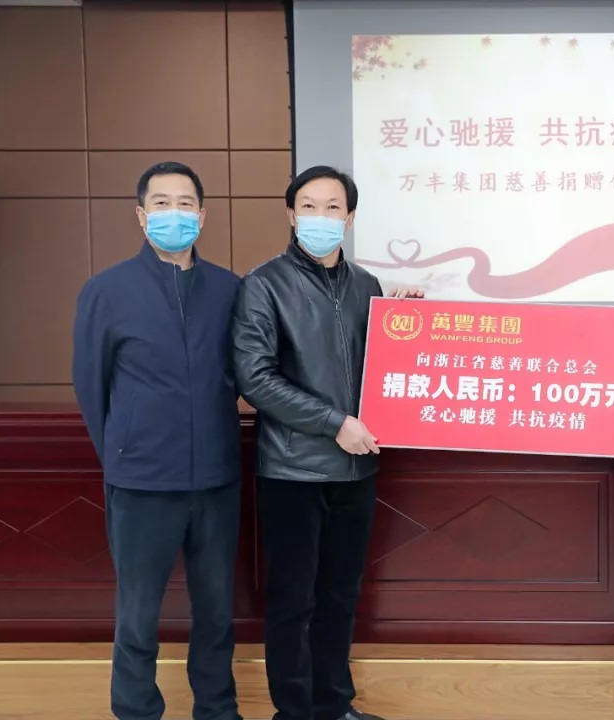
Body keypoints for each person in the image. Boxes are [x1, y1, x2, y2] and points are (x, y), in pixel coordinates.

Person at [232, 165, 422, 720]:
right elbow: (254, 378)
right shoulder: (263, 285)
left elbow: (383, 370)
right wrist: (334, 422)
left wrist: (408, 320)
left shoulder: (367, 286)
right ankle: (294, 711)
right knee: (294, 600)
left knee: (340, 597)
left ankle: (334, 705)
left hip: (356, 470)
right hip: (292, 470)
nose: (321, 217)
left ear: (350, 218)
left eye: (333, 207)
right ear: (292, 216)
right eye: (309, 207)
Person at [71, 162, 243, 720]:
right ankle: (137, 710)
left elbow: (250, 373)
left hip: (216, 478)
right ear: (142, 215)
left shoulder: (230, 289)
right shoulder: (107, 291)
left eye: (185, 203)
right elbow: (91, 387)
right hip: (142, 483)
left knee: (216, 611)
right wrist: (124, 454)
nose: (175, 213)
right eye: (162, 203)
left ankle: (217, 709)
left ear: (203, 215)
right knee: (139, 613)